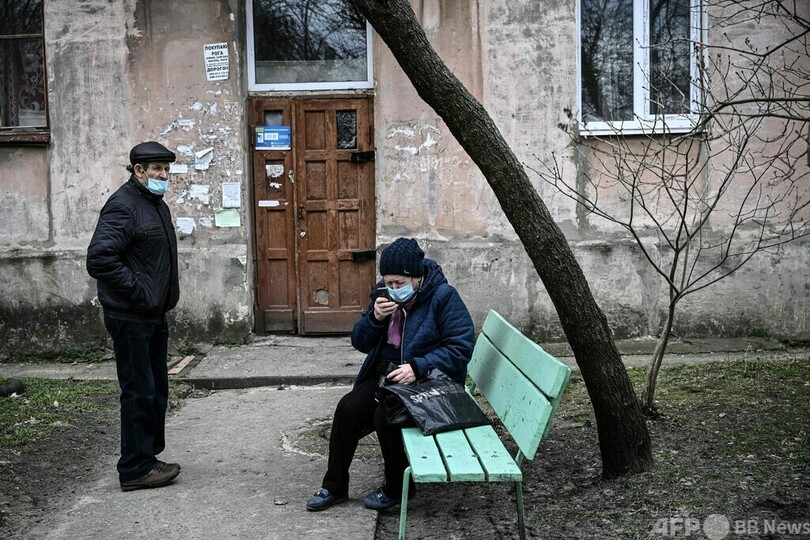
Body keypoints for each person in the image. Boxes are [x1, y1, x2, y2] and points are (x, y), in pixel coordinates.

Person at [306, 237, 475, 511]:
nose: (393, 288)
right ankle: (334, 486)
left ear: (416, 278)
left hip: (429, 382)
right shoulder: (382, 295)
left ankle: (397, 489)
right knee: (347, 408)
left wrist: (419, 367)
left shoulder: (443, 297)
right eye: (389, 282)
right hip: (390, 378)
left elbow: (461, 347)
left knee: (386, 416)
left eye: (400, 283)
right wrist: (375, 319)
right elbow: (360, 342)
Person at [86, 141, 181, 492]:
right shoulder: (123, 206)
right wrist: (141, 292)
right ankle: (134, 468)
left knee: (155, 389)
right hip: (131, 316)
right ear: (138, 171)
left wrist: (157, 298)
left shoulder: (154, 204)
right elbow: (99, 259)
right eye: (157, 169)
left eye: (166, 169)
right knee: (138, 390)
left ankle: (147, 457)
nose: (163, 175)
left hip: (153, 315)